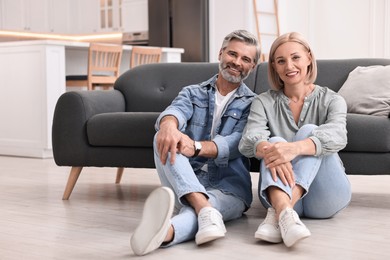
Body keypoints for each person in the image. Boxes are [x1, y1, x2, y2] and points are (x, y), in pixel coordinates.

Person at [130, 29, 261, 256]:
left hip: (229, 188)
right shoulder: (193, 92)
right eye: (232, 54)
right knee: (163, 135)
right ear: (221, 53)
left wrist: (196, 147)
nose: (237, 62)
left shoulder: (255, 104)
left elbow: (238, 142)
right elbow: (176, 110)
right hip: (187, 177)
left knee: (205, 210)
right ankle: (202, 207)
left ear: (253, 67)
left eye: (246, 59)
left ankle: (166, 232)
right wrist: (169, 126)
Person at [238, 32, 352, 247]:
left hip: (326, 198)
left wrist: (294, 149)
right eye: (281, 61)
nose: (289, 66)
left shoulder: (333, 99)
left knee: (309, 130)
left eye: (295, 57)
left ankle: (277, 214)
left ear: (309, 57)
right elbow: (247, 141)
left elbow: (339, 135)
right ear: (274, 67)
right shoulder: (263, 101)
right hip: (277, 192)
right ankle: (286, 214)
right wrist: (267, 146)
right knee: (272, 141)